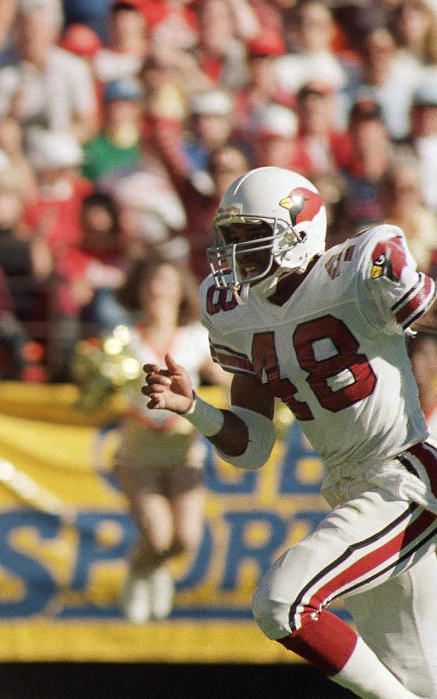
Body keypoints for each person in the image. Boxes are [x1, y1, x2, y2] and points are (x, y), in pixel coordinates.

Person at [141, 165, 437, 698]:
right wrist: (193, 408)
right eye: (228, 239)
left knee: (284, 602)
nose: (234, 255)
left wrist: (413, 292)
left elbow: (426, 312)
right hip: (352, 489)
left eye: (249, 237)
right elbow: (252, 448)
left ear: (299, 234)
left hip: (405, 480)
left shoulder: (353, 272)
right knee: (419, 680)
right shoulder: (235, 312)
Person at [114, 258, 228, 624]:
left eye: (165, 281)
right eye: (150, 282)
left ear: (180, 289)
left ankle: (155, 569)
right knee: (159, 536)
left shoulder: (195, 338)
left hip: (184, 453)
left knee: (186, 539)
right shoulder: (125, 337)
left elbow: (226, 378)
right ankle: (139, 572)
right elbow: (101, 380)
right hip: (138, 453)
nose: (157, 290)